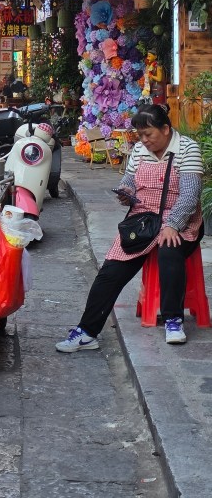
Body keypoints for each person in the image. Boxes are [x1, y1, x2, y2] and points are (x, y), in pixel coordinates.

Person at [56, 105, 205, 351]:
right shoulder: (139, 150)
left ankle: (173, 320)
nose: (144, 140)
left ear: (165, 129)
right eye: (140, 135)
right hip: (143, 220)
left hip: (180, 219)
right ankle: (87, 332)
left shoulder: (187, 149)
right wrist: (126, 191)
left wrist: (173, 225)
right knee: (112, 269)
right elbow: (129, 179)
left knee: (169, 250)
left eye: (148, 134)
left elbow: (190, 196)